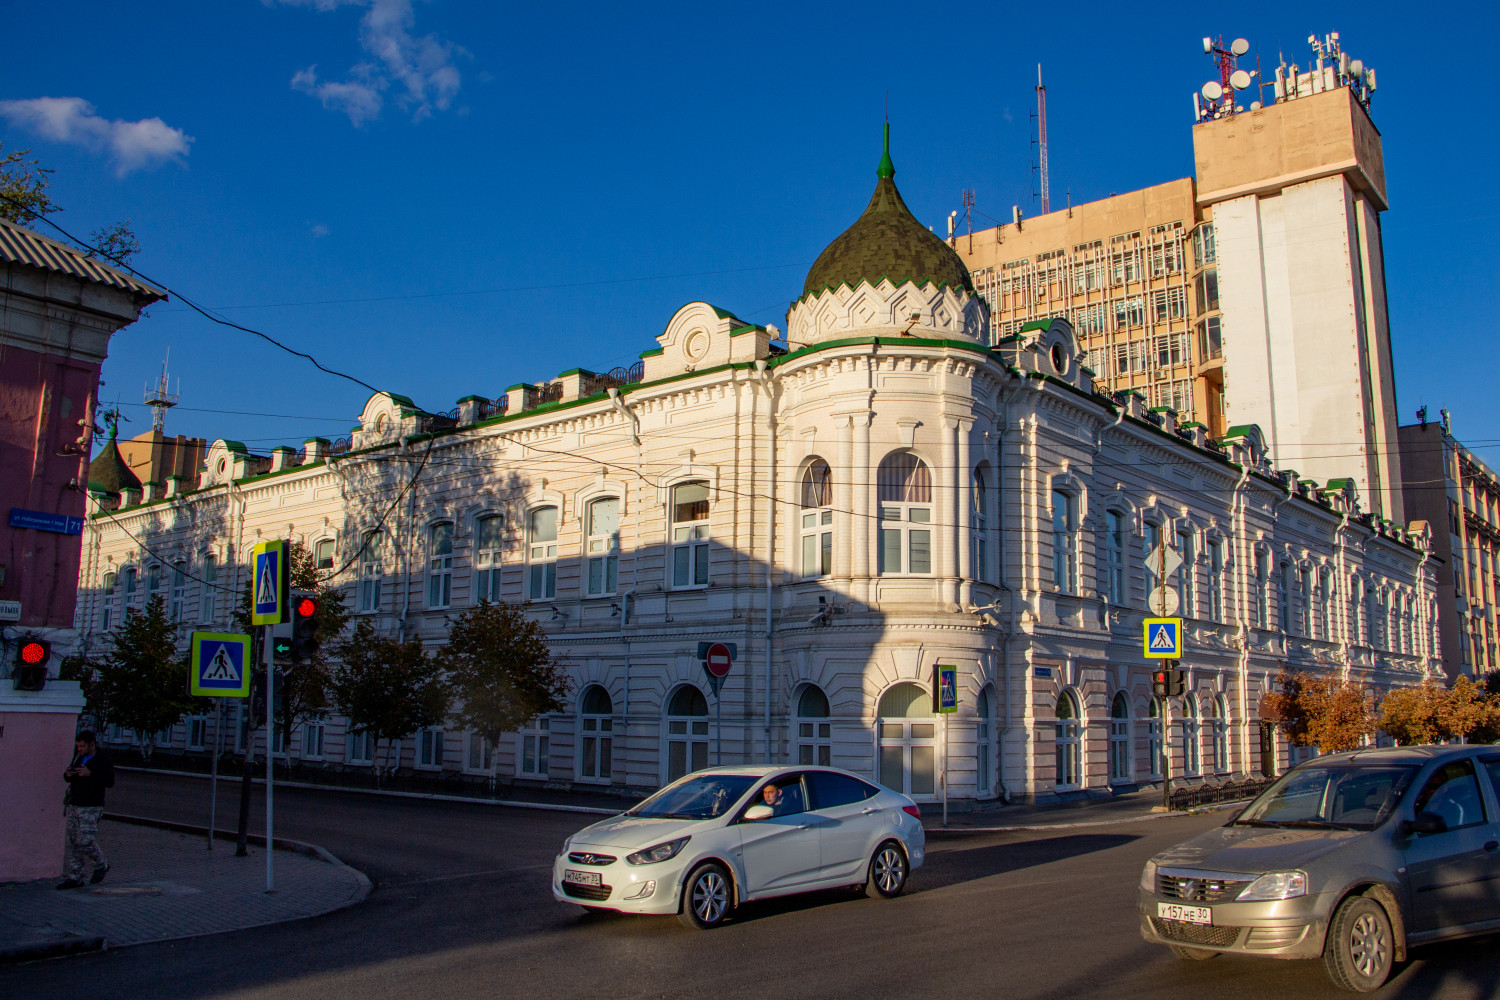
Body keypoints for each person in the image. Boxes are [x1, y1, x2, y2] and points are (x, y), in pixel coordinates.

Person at [58, 730, 114, 890]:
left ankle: (101, 863)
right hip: (75, 803)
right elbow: (70, 777)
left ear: (91, 744)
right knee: (74, 841)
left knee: (85, 840)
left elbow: (109, 781)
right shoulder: (79, 757)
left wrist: (91, 774)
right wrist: (68, 775)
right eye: (78, 746)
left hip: (91, 805)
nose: (79, 749)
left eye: (82, 746)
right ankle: (75, 876)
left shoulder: (103, 760)